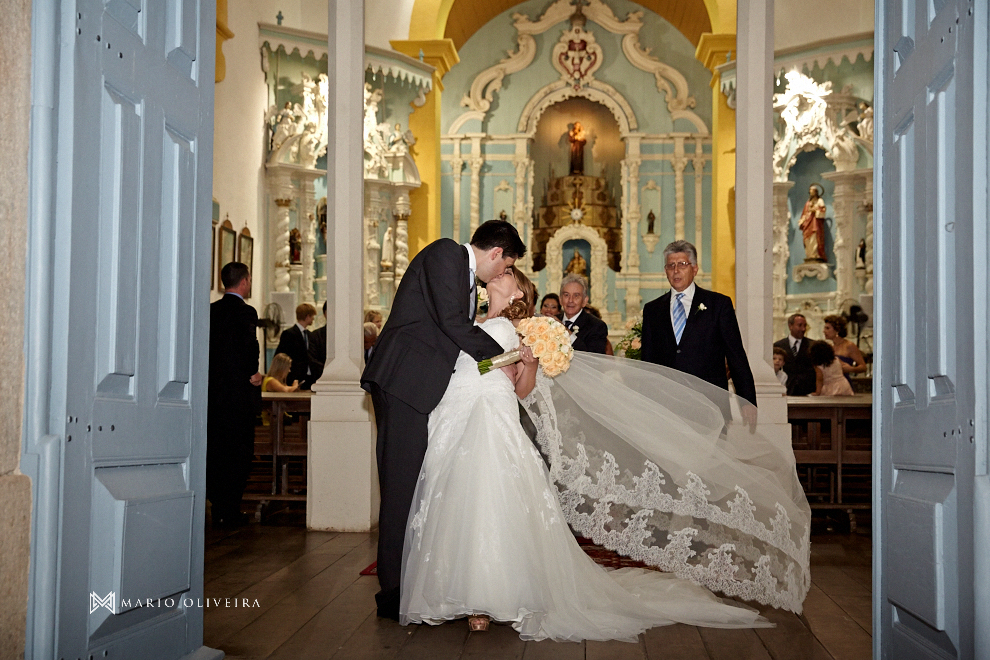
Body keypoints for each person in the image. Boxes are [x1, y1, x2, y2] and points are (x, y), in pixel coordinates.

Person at [401, 266, 811, 639]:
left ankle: (488, 599)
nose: (502, 271)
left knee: (493, 501)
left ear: (516, 293)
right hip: (455, 414)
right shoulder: (466, 318)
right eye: (501, 269)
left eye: (509, 272)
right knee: (456, 499)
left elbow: (522, 389)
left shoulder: (521, 328)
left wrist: (526, 363)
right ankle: (450, 590)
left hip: (494, 418)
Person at [361, 219, 526, 621]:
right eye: (505, 268)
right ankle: (394, 591)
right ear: (495, 253)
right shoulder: (446, 253)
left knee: (413, 482)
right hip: (403, 382)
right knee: (401, 485)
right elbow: (452, 324)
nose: (503, 276)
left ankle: (411, 580)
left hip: (420, 386)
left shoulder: (463, 275)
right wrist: (507, 357)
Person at [640, 240, 757, 424]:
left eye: (682, 264)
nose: (676, 270)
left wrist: (747, 400)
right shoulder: (652, 309)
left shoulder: (718, 305)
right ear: (665, 271)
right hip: (666, 406)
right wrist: (645, 401)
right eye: (671, 265)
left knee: (711, 453)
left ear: (694, 269)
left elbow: (735, 354)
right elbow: (647, 361)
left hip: (709, 404)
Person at [208, 262, 263, 528]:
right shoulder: (246, 312)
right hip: (238, 398)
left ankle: (216, 506)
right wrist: (255, 373)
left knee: (215, 453)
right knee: (238, 455)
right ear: (244, 281)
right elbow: (249, 348)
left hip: (213, 397)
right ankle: (229, 509)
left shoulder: (210, 311)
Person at [559, 273, 608, 354]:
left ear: (585, 301)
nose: (570, 300)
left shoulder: (597, 326)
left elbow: (593, 359)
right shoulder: (551, 322)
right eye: (566, 295)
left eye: (576, 296)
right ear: (560, 299)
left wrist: (564, 330)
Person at [275, 303, 316, 389]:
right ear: (307, 316)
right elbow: (282, 355)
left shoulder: (310, 335)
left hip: (309, 377)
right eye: (312, 316)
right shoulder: (289, 334)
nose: (313, 319)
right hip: (294, 377)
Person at [773, 313, 817, 396]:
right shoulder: (779, 345)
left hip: (808, 390)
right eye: (800, 325)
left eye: (805, 326)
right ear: (790, 326)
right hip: (787, 389)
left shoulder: (812, 345)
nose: (803, 329)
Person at [799, 184, 827, 262]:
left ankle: (815, 254)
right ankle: (809, 255)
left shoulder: (819, 201)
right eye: (810, 191)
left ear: (816, 192)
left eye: (812, 191)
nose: (811, 192)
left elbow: (823, 210)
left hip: (815, 222)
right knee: (807, 238)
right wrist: (802, 220)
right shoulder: (808, 203)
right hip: (808, 223)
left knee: (814, 237)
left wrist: (816, 210)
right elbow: (805, 213)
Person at [308, 302, 328, 383]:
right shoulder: (315, 335)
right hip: (320, 378)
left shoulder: (345, 335)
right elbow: (312, 359)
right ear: (325, 314)